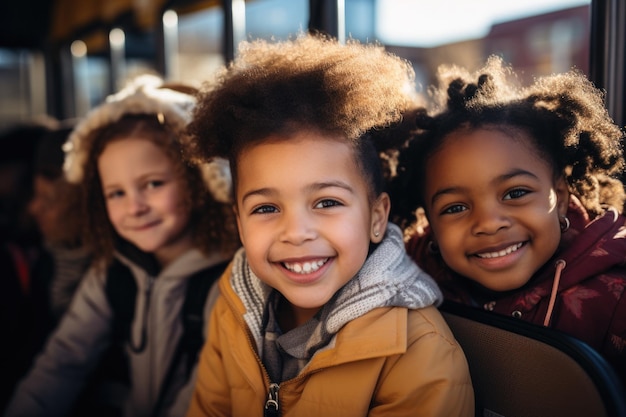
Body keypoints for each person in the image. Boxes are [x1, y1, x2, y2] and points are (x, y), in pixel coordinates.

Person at [183, 34, 474, 417]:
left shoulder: (419, 350)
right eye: (266, 208)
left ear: (375, 217)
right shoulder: (236, 310)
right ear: (239, 224)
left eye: (327, 202)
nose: (296, 231)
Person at [4, 75, 240, 417]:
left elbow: (206, 396)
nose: (135, 207)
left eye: (153, 184)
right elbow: (63, 362)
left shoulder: (228, 281)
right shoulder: (113, 270)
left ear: (200, 180)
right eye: (116, 193)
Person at [388, 56, 626, 385]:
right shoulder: (408, 277)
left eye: (515, 194)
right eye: (455, 208)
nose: (488, 223)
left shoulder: (618, 298)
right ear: (429, 223)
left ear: (561, 196)